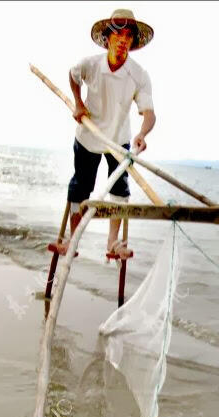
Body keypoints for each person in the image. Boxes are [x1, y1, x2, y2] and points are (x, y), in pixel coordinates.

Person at [55, 8, 156, 259]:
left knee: (120, 189)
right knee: (81, 186)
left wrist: (142, 134)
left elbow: (149, 114)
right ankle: (73, 239)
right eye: (118, 35)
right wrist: (78, 103)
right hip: (88, 136)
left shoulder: (139, 75)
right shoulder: (91, 64)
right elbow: (72, 74)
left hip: (118, 140)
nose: (122, 40)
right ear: (108, 38)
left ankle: (113, 242)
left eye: (128, 36)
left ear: (132, 42)